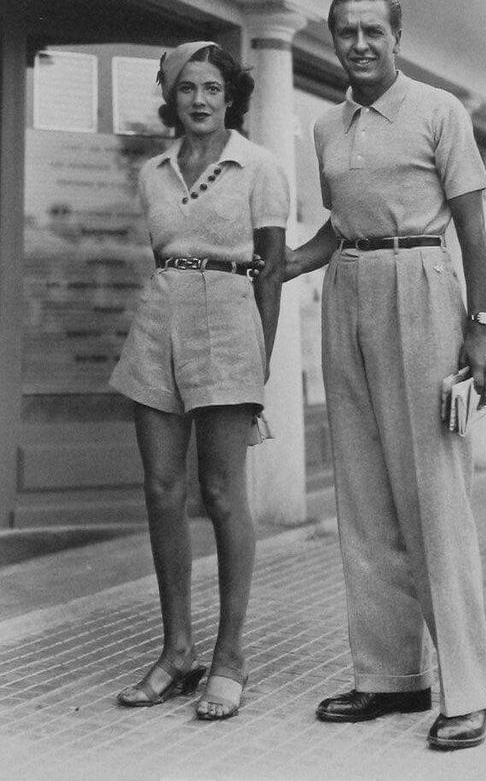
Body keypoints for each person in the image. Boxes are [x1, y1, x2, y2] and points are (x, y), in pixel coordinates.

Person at [285, 0, 486, 749]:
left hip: (423, 290)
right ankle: (390, 677)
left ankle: (470, 690)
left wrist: (482, 328)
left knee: (434, 501)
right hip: (349, 291)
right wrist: (281, 265)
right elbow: (337, 230)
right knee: (366, 492)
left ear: (397, 35)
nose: (359, 45)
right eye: (345, 32)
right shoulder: (325, 126)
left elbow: (475, 231)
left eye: (373, 31)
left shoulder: (441, 112)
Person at [110, 41, 289, 720]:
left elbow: (270, 269)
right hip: (158, 322)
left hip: (229, 323)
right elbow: (163, 255)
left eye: (213, 87)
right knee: (161, 489)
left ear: (231, 95)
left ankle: (230, 655)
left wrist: (260, 364)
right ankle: (175, 651)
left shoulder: (261, 166)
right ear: (172, 95)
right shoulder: (153, 172)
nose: (201, 99)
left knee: (221, 492)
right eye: (188, 87)